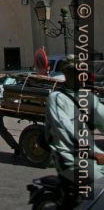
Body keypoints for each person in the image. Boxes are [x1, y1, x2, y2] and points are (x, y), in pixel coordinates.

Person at [45, 54, 104, 186]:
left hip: (93, 156)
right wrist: (93, 153)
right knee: (100, 185)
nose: (80, 75)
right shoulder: (56, 98)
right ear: (66, 73)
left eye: (82, 72)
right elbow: (65, 130)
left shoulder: (88, 97)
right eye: (76, 72)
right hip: (68, 157)